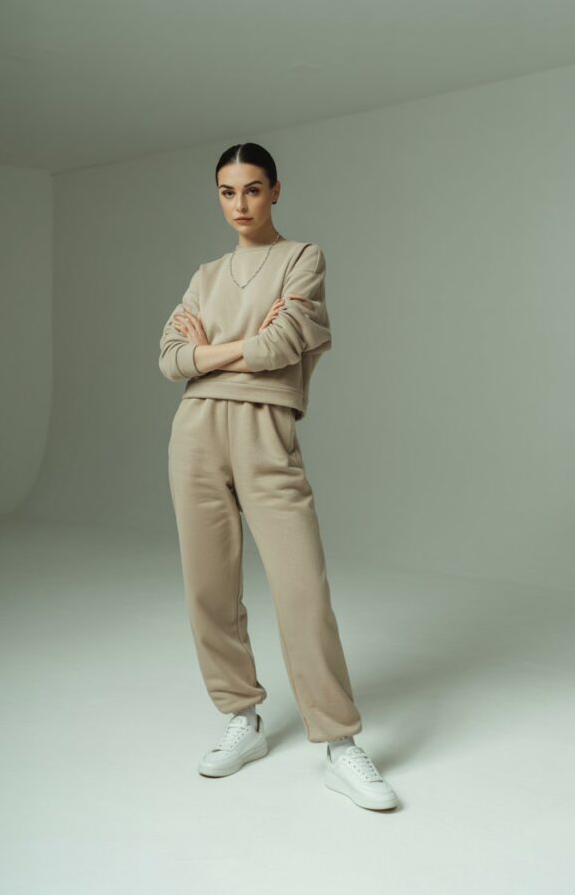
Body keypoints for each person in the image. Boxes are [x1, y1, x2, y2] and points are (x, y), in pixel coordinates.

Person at [159, 142, 398, 811]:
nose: (240, 204)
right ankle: (242, 716)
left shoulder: (302, 258)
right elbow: (171, 360)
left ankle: (340, 742)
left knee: (301, 590)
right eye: (228, 192)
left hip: (266, 429)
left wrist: (210, 351)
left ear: (275, 191)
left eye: (253, 190)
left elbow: (280, 343)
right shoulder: (204, 274)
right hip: (195, 432)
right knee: (209, 588)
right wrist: (227, 352)